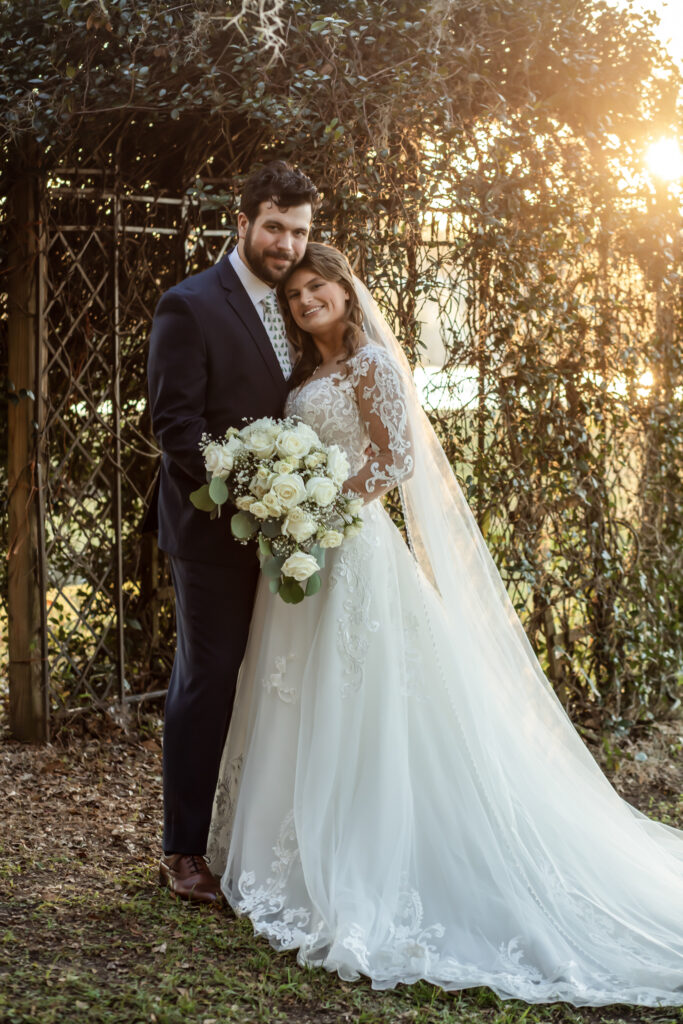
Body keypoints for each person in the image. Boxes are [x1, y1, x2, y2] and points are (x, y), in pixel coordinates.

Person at [206, 242, 683, 1004]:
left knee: (363, 696)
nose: (304, 301)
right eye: (294, 294)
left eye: (316, 286)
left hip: (353, 551)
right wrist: (286, 502)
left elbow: (394, 461)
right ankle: (287, 853)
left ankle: (372, 852)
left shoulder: (372, 368)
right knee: (295, 690)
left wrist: (320, 506)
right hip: (301, 554)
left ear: (343, 290)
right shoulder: (303, 376)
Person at [146, 161, 319, 902]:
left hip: (294, 535)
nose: (286, 244)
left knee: (281, 684)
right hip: (213, 530)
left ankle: (255, 834)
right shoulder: (190, 305)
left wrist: (297, 508)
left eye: (300, 231)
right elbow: (173, 427)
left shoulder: (304, 303)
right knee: (208, 679)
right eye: (274, 227)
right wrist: (247, 498)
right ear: (241, 221)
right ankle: (182, 850)